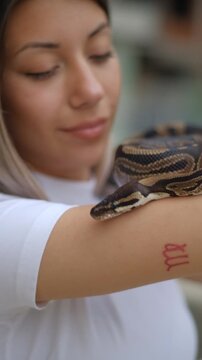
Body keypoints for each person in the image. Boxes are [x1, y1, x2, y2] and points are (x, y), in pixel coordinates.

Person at [0, 0, 201, 359]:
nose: (91, 91)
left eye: (101, 52)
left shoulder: (113, 182)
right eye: (42, 70)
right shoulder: (8, 229)